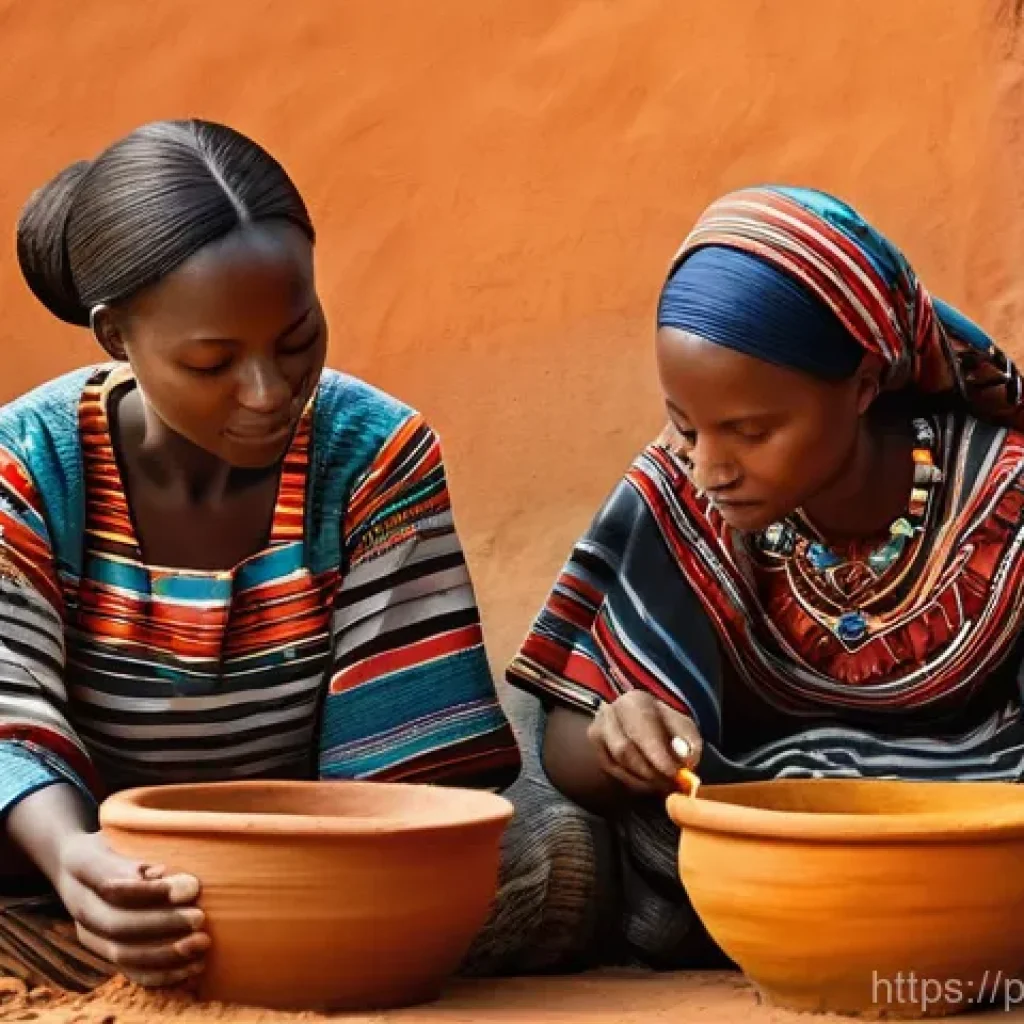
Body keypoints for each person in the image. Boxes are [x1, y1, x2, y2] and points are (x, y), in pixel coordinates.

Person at [0, 119, 525, 990]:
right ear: (114, 339)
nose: (268, 393)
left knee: (553, 853)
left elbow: (394, 771)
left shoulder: (372, 456)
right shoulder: (27, 466)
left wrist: (287, 887)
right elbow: (7, 705)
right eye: (211, 363)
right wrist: (75, 863)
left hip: (318, 861)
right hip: (70, 864)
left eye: (297, 340)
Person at [505, 185, 1024, 968]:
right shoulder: (677, 491)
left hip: (965, 827)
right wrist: (623, 730)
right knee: (538, 847)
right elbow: (570, 736)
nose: (711, 466)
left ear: (860, 386)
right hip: (730, 830)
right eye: (685, 425)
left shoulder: (1003, 501)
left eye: (752, 431)